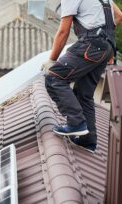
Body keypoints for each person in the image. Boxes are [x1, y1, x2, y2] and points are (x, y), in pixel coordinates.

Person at [42, 0, 122, 153]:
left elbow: (63, 32)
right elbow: (118, 15)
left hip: (92, 44)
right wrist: (104, 36)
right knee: (84, 94)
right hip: (107, 47)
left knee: (54, 78)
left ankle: (76, 123)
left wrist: (52, 60)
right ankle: (87, 141)